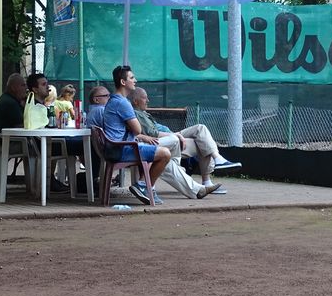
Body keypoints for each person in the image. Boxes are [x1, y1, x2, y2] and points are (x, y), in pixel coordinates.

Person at [102, 65, 220, 204]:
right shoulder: (122, 103)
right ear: (123, 82)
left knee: (169, 152)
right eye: (132, 78)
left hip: (119, 147)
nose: (135, 80)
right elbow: (137, 129)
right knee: (166, 152)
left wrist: (138, 132)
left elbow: (132, 130)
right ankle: (144, 185)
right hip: (122, 149)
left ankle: (197, 190)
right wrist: (138, 131)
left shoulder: (116, 100)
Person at [129, 86, 240, 193]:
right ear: (135, 101)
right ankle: (213, 167)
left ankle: (213, 168)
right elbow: (153, 133)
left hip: (170, 136)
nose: (148, 100)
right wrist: (176, 135)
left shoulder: (143, 113)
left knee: (202, 137)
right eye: (145, 98)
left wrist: (175, 135)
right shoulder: (136, 114)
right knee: (200, 135)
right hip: (165, 140)